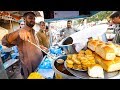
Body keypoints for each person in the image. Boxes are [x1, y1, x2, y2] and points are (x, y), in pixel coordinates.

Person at [2, 12, 43, 79]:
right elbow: (4, 42)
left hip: (40, 63)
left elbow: (34, 45)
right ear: (24, 19)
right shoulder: (21, 33)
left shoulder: (33, 31)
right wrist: (19, 32)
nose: (32, 20)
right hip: (30, 69)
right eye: (30, 18)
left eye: (34, 18)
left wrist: (40, 47)